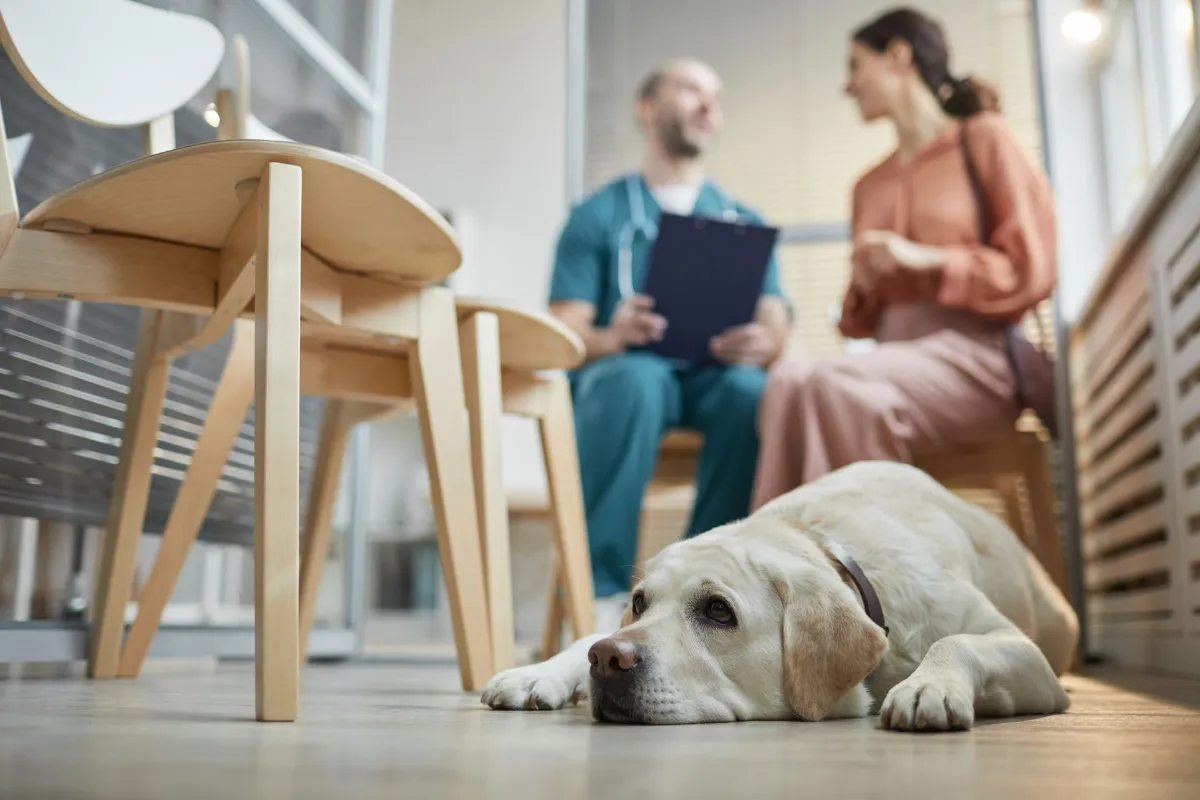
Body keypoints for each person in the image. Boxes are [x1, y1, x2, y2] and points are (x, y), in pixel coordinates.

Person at [751, 7, 1056, 509]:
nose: (847, 86)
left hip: (975, 358)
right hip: (892, 357)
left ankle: (858, 571)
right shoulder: (867, 186)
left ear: (898, 56)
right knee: (786, 380)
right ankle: (775, 572)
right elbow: (858, 323)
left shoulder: (984, 140)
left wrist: (926, 260)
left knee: (835, 387)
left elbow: (1031, 270)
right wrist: (867, 286)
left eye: (855, 66)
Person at [548, 58, 791, 621]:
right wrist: (613, 334)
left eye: (716, 96)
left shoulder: (741, 220)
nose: (709, 106)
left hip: (712, 379)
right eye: (690, 90)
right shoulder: (598, 216)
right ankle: (601, 594)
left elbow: (776, 325)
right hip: (630, 379)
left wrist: (761, 342)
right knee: (633, 378)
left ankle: (706, 587)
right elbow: (564, 332)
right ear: (647, 108)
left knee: (751, 393)